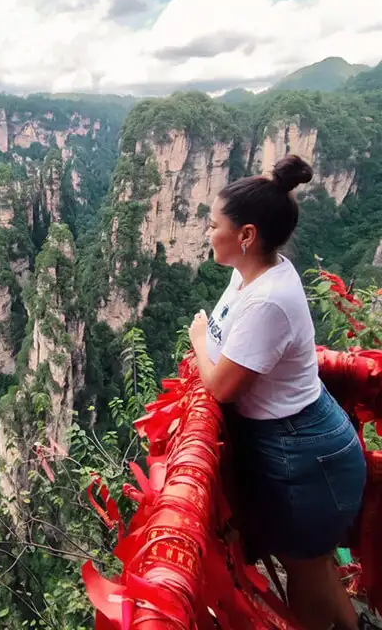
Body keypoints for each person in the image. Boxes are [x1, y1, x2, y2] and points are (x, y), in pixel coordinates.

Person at [188, 155, 369, 630]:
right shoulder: (250, 273)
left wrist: (199, 340)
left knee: (306, 575)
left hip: (306, 454)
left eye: (214, 225)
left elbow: (222, 388)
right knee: (313, 566)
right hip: (296, 445)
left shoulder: (269, 299)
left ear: (246, 235)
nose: (207, 232)